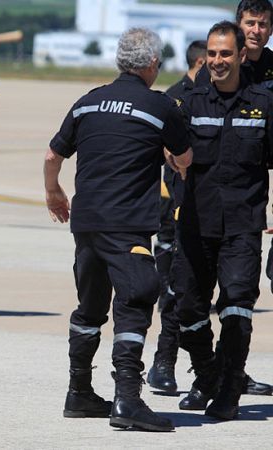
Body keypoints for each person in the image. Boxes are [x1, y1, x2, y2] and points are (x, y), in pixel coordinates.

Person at [45, 28, 192, 431]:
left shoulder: (87, 103)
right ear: (150, 65)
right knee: (137, 298)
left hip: (86, 221)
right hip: (126, 224)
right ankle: (127, 399)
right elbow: (185, 159)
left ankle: (78, 393)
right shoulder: (159, 106)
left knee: (90, 307)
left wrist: (53, 192)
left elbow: (52, 155)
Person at [172, 21, 273, 420]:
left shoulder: (264, 103)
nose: (217, 61)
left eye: (225, 53)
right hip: (195, 224)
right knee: (188, 312)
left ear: (241, 55)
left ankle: (229, 390)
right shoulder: (186, 101)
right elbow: (160, 145)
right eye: (212, 54)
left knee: (236, 308)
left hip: (242, 227)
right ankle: (207, 376)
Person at [146, 40, 206, 394]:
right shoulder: (172, 98)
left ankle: (221, 368)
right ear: (201, 60)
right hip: (173, 205)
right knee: (171, 287)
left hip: (209, 204)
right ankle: (163, 362)